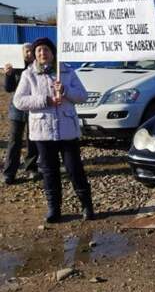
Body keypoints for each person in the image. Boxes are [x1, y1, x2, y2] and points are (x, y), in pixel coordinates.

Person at [13, 37, 94, 224]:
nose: (43, 53)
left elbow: (82, 96)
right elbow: (19, 101)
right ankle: (54, 209)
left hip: (67, 131)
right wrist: (45, 100)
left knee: (75, 170)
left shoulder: (66, 71)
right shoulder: (28, 75)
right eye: (39, 50)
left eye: (46, 50)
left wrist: (65, 90)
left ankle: (86, 206)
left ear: (53, 53)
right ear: (34, 54)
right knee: (49, 171)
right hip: (43, 132)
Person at [3, 43, 39, 184]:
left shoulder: (38, 67)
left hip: (34, 108)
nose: (29, 53)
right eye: (26, 51)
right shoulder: (15, 67)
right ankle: (9, 173)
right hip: (17, 109)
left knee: (33, 140)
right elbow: (8, 88)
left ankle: (31, 168)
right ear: (22, 53)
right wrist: (8, 75)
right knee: (14, 141)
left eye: (31, 51)